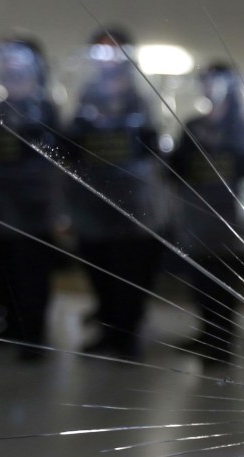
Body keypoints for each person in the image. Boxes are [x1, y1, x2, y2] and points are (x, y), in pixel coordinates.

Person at [65, 26, 165, 360]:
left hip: (134, 205)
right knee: (100, 271)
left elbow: (153, 148)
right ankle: (109, 330)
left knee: (131, 274)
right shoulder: (87, 96)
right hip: (92, 204)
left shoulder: (140, 98)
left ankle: (128, 334)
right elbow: (73, 142)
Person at [0, 36, 61, 359]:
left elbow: (56, 163)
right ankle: (9, 326)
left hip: (32, 211)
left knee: (29, 275)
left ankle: (31, 335)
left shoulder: (46, 113)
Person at [169, 62, 244, 363]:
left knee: (224, 281)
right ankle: (208, 333)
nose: (209, 88)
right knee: (201, 280)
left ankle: (222, 342)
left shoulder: (241, 127)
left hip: (230, 218)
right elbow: (177, 167)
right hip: (197, 214)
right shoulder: (195, 126)